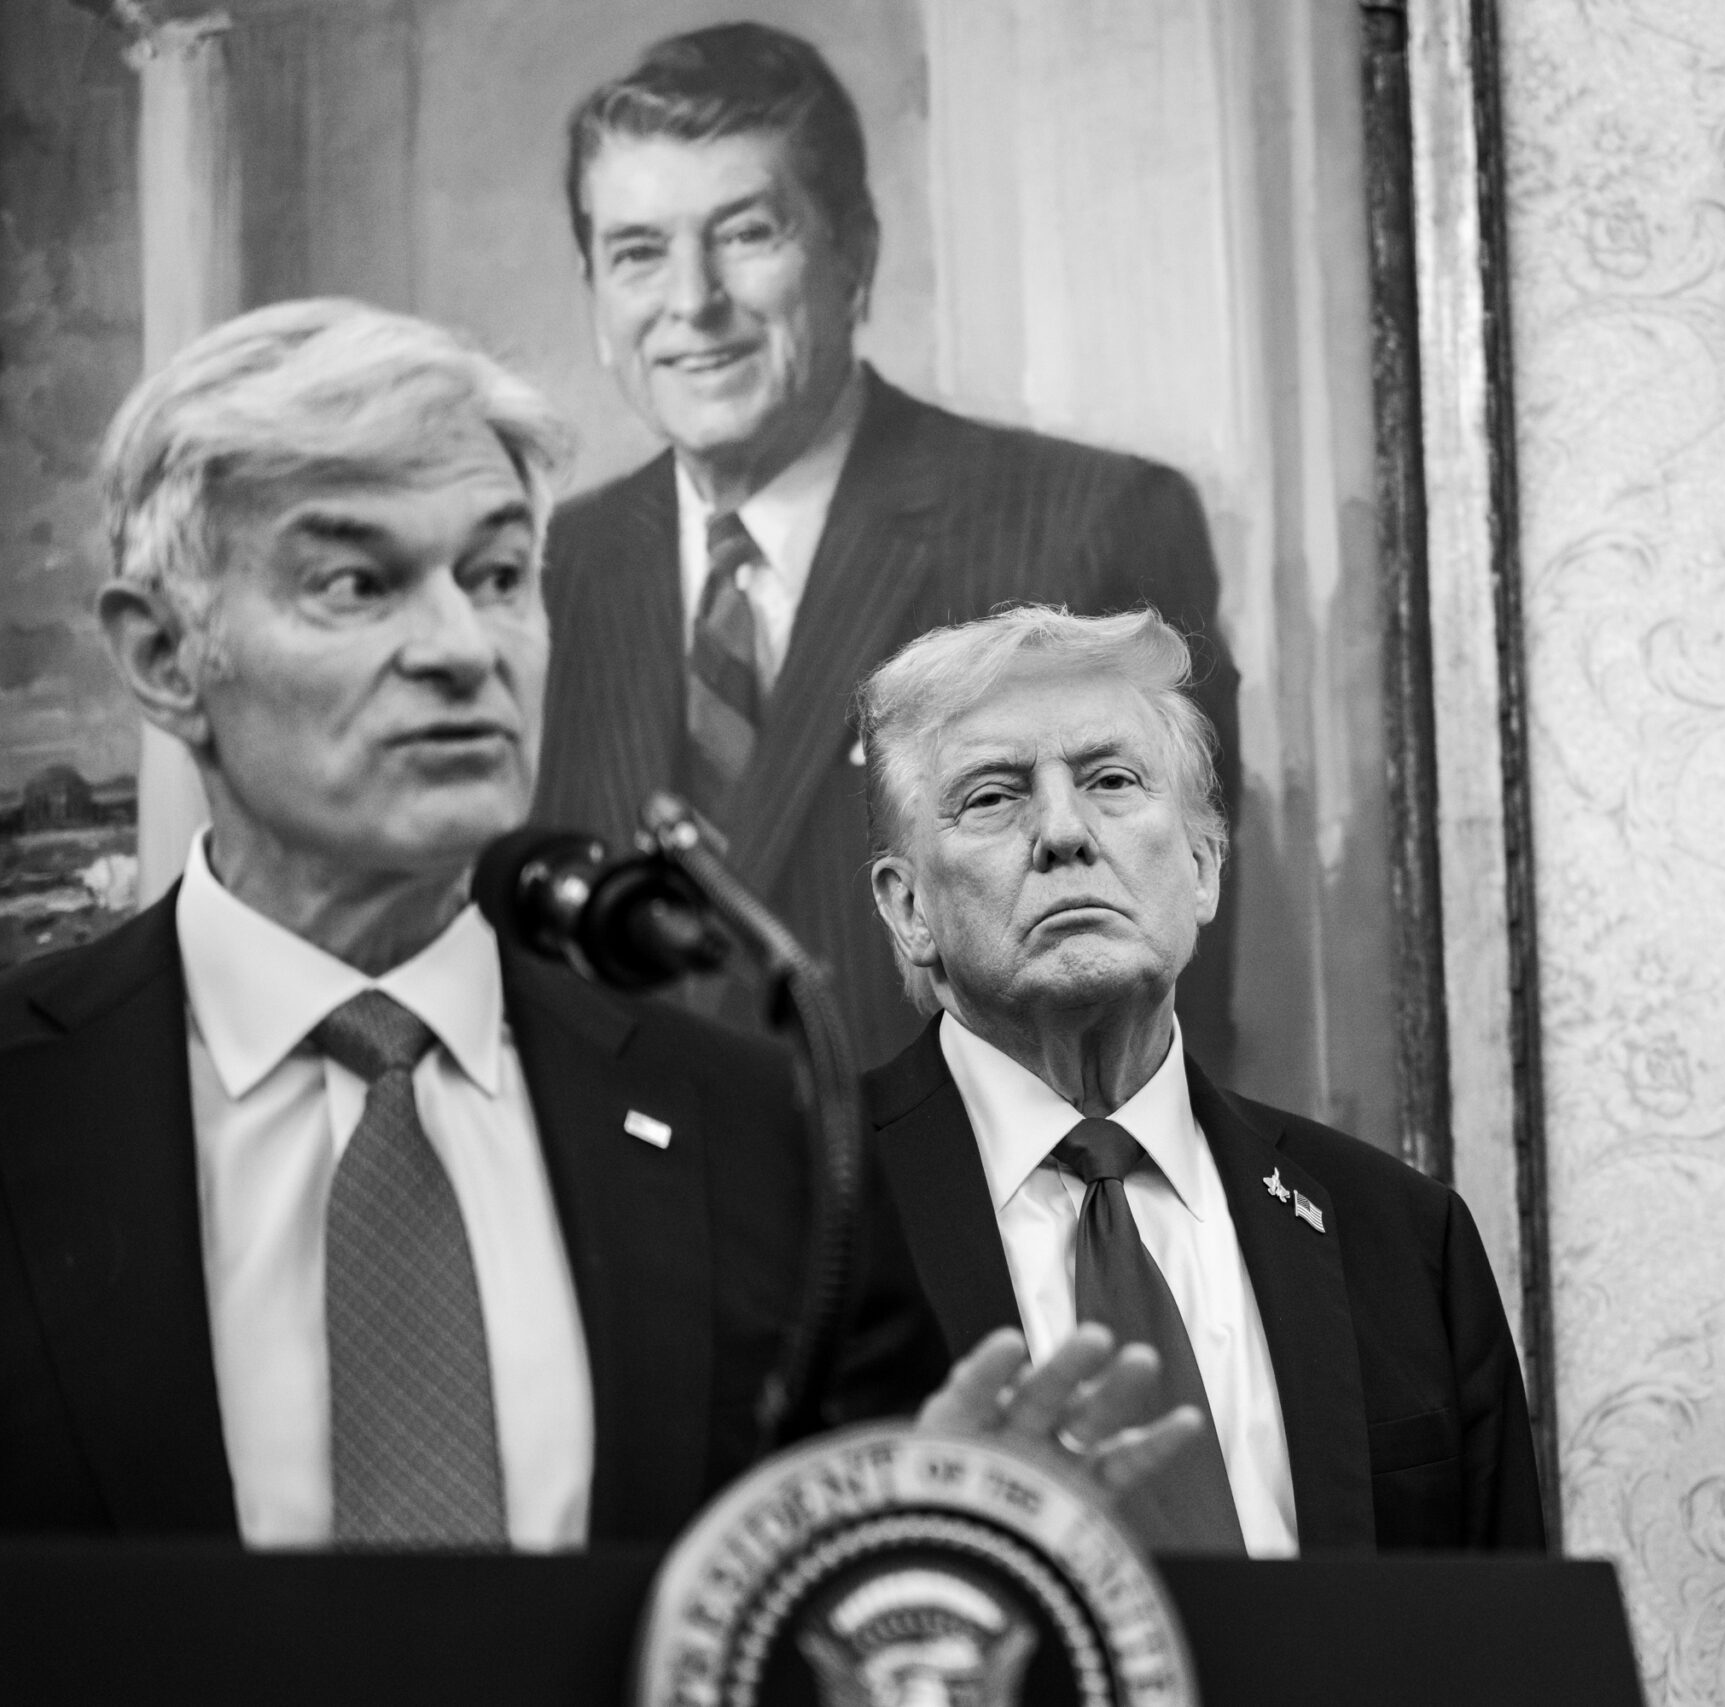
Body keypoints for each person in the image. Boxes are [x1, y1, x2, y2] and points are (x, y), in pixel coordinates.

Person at [0, 299, 1192, 1547]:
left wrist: (914, 1539)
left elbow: (814, 1604)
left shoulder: (759, 1137)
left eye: (498, 576)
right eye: (356, 583)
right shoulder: (30, 1102)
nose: (464, 649)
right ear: (164, 657)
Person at [535, 21, 1238, 1073]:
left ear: (854, 252)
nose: (692, 303)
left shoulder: (1087, 524)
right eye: (638, 253)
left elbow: (1164, 991)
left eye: (746, 233)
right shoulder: (559, 563)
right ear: (594, 285)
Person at [856, 604, 1546, 1555]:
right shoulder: (804, 1216)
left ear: (1203, 867)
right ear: (908, 910)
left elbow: (1504, 1626)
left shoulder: (1403, 1238)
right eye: (992, 797)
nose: (1063, 831)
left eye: (1111, 780)